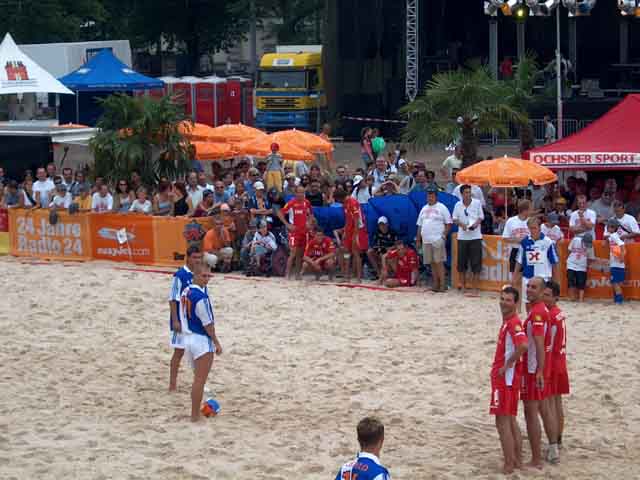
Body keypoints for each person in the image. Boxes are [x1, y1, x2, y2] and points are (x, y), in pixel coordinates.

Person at [490, 285, 528, 475]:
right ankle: (517, 461)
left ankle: (509, 464)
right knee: (510, 420)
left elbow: (523, 346)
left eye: (508, 300)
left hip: (506, 380)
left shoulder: (513, 323)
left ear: (515, 303)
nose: (503, 303)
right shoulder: (509, 322)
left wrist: (507, 365)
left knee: (502, 421)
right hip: (507, 379)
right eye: (502, 299)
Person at [521, 277, 557, 469]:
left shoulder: (537, 313)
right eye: (528, 286)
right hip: (541, 366)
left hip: (533, 369)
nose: (529, 289)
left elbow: (539, 344)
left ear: (542, 291)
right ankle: (553, 448)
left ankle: (536, 459)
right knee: (544, 408)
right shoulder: (541, 310)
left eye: (533, 287)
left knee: (531, 412)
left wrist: (539, 371)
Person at [180, 264, 222, 422]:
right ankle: (195, 416)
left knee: (197, 380)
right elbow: (208, 324)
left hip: (187, 339)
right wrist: (216, 342)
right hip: (201, 341)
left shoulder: (185, 291)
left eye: (208, 276)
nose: (207, 279)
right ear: (195, 276)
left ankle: (195, 413)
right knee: (199, 381)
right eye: (204, 276)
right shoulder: (201, 297)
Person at [542, 280, 569, 461]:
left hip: (552, 362)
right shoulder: (560, 314)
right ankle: (558, 439)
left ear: (556, 297)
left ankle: (554, 444)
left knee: (551, 404)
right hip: (561, 361)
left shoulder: (551, 315)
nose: (544, 298)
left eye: (548, 295)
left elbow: (547, 344)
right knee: (557, 403)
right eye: (544, 294)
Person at [168, 246, 202, 391]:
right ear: (188, 257)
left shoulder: (199, 274)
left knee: (198, 352)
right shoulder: (180, 275)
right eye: (194, 257)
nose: (197, 260)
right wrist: (176, 320)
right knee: (179, 352)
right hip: (181, 321)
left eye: (199, 257)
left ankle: (198, 383)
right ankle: (172, 384)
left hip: (194, 320)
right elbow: (172, 299)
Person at [516, 218, 559, 309]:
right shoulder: (524, 242)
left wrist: (555, 281)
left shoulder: (548, 242)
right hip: (528, 277)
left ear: (540, 228)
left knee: (543, 303)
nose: (532, 230)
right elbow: (519, 260)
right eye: (530, 228)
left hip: (543, 278)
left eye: (534, 228)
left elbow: (554, 262)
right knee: (528, 302)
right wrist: (514, 276)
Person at [416, 186, 452, 292]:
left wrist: (443, 236)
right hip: (426, 240)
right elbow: (419, 225)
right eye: (428, 195)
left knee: (439, 262)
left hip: (437, 239)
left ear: (436, 196)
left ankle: (443, 285)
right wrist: (418, 239)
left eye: (432, 195)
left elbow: (449, 223)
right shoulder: (424, 208)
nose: (430, 197)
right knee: (431, 262)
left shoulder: (442, 207)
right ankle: (435, 284)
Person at [452, 185, 484, 295]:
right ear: (461, 194)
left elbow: (481, 217)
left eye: (469, 192)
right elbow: (454, 219)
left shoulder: (477, 203)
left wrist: (475, 225)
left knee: (476, 263)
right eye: (466, 192)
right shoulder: (458, 205)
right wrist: (462, 225)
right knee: (461, 263)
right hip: (462, 237)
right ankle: (463, 286)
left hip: (475, 236)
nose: (468, 194)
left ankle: (475, 288)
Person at [277, 185, 313, 279]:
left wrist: (309, 223)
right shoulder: (291, 203)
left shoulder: (307, 202)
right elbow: (279, 213)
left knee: (300, 255)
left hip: (304, 232)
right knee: (292, 253)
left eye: (303, 192)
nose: (301, 194)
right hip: (294, 232)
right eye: (299, 192)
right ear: (295, 193)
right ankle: (287, 274)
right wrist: (287, 224)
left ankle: (297, 274)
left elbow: (311, 214)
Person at [334, 190, 368, 283]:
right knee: (346, 252)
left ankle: (358, 278)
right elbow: (348, 219)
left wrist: (355, 235)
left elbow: (357, 220)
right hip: (349, 230)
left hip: (358, 230)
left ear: (340, 198)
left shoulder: (353, 202)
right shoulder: (345, 204)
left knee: (356, 253)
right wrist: (345, 231)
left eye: (338, 200)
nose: (338, 202)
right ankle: (346, 276)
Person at [502, 200, 531, 300]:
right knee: (514, 278)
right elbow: (505, 238)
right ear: (525, 210)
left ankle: (525, 298)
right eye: (530, 209)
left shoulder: (531, 221)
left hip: (528, 251)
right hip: (515, 250)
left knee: (528, 278)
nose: (531, 211)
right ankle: (515, 299)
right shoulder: (511, 221)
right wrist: (518, 240)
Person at [566, 232, 595, 302]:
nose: (587, 245)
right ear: (582, 240)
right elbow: (569, 250)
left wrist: (586, 265)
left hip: (582, 266)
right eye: (586, 243)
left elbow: (591, 258)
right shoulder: (575, 240)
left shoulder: (591, 247)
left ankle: (581, 299)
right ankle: (572, 298)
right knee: (570, 280)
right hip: (571, 264)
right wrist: (570, 259)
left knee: (581, 282)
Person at [604, 218, 626, 304]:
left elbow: (622, 246)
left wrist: (622, 256)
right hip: (617, 264)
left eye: (608, 227)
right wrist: (606, 241)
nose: (607, 228)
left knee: (615, 283)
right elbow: (607, 242)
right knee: (616, 283)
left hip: (616, 264)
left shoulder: (613, 236)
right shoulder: (613, 236)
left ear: (613, 228)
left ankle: (619, 300)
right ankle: (617, 299)